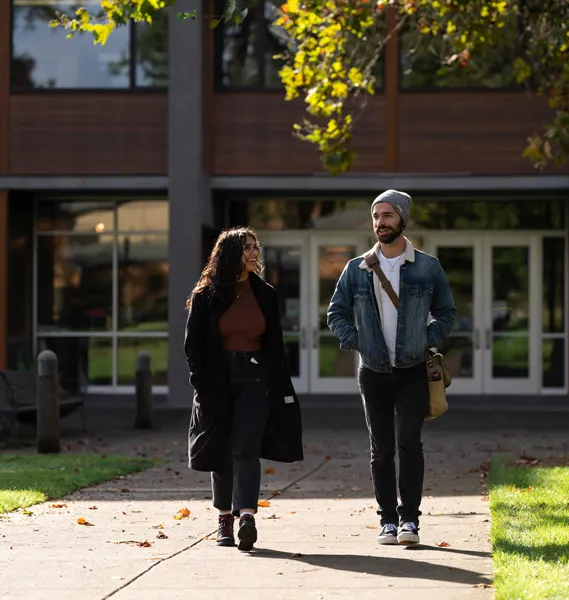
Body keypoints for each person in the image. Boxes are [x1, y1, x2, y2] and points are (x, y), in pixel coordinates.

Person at [327, 190, 456, 546]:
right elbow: (335, 313)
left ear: (402, 219)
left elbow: (447, 312)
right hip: (373, 370)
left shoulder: (428, 267)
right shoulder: (357, 268)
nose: (379, 222)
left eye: (386, 215)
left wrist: (426, 339)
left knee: (409, 444)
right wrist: (357, 340)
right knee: (381, 448)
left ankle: (410, 521)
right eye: (375, 216)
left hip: (413, 369)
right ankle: (386, 520)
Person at [184, 227, 303, 552]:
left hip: (255, 379)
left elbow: (274, 344)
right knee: (222, 450)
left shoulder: (265, 293)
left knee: (246, 448)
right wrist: (202, 385)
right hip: (218, 381)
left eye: (255, 247)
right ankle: (224, 517)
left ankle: (247, 516)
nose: (254, 253)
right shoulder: (206, 295)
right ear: (229, 253)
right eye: (247, 248)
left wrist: (280, 386)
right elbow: (192, 346)